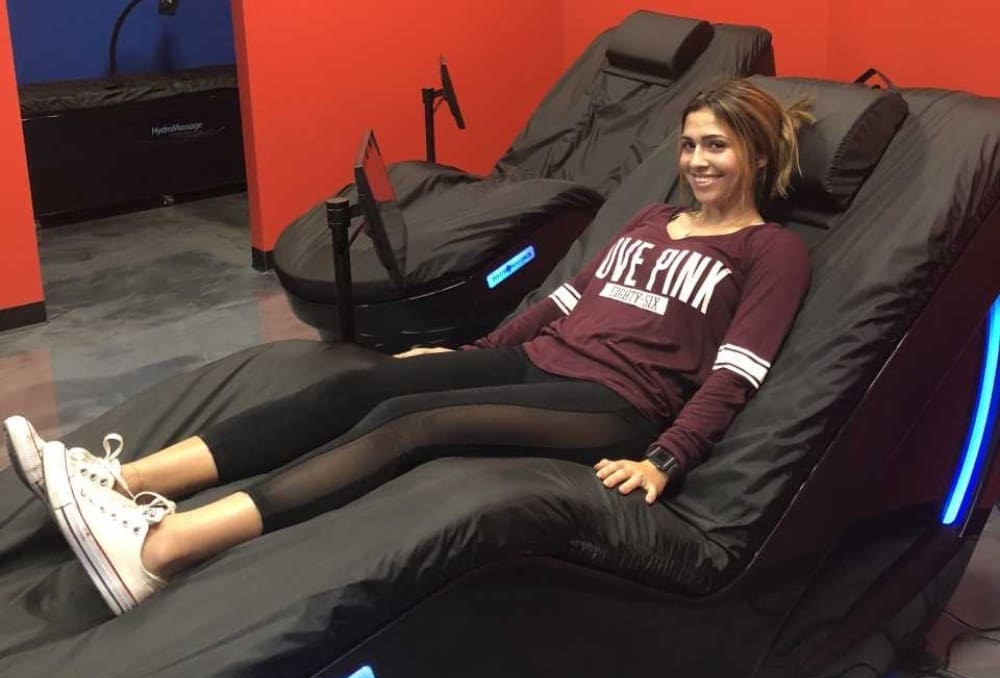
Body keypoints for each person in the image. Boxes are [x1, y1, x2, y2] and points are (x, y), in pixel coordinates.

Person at [4, 79, 814, 616]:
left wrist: (667, 458)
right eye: (690, 144)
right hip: (542, 359)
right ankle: (118, 478)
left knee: (409, 423)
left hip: (619, 406)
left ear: (758, 155)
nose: (698, 161)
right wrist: (470, 353)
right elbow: (562, 301)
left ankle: (160, 549)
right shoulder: (647, 221)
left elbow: (736, 372)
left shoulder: (769, 250)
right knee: (361, 383)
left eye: (718, 146)